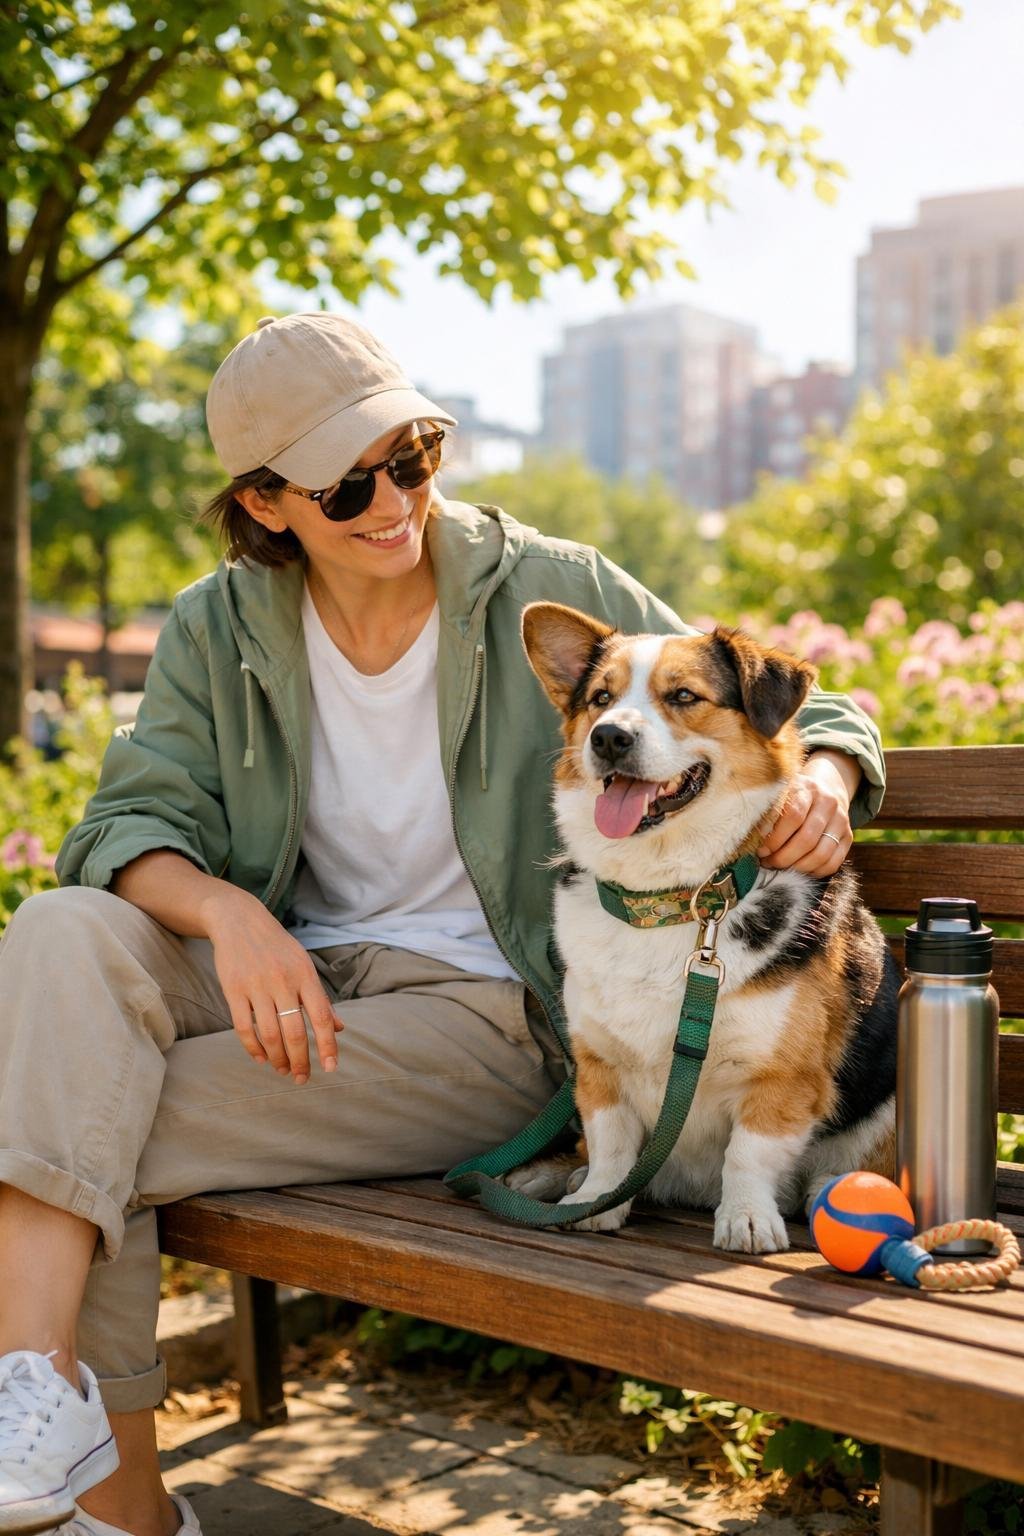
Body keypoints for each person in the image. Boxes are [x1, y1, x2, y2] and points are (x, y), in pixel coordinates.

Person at [0, 313, 885, 1536]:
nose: (393, 499)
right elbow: (121, 823)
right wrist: (228, 915)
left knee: (78, 1124)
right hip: (298, 977)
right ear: (266, 504)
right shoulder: (218, 630)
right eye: (348, 481)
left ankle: (126, 1516)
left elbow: (796, 697)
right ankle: (34, 1393)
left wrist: (828, 783)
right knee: (57, 929)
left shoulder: (545, 583)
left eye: (413, 454)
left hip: (480, 1018)